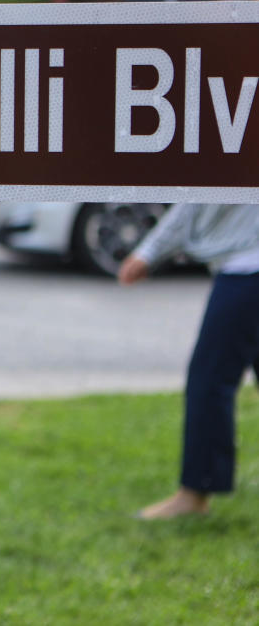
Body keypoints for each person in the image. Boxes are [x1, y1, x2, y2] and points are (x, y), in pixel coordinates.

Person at [118, 204, 259, 519]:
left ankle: (195, 494)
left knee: (209, 381)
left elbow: (195, 198)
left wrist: (150, 251)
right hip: (245, 266)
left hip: (248, 270)